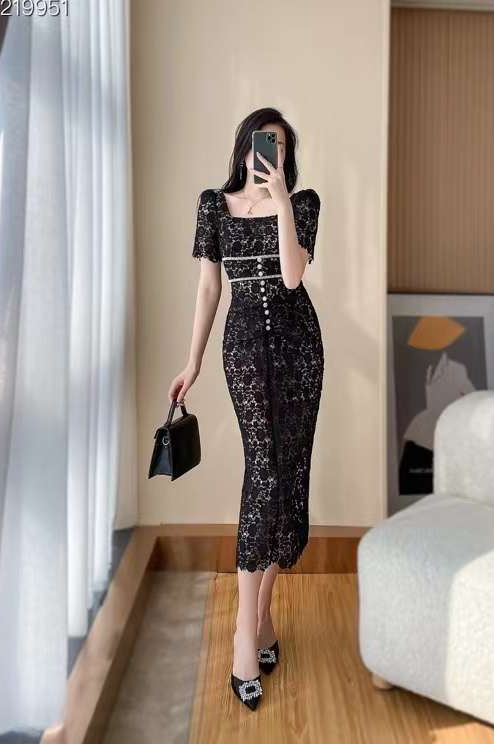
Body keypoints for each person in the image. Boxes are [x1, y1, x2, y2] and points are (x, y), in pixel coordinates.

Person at [168, 107, 324, 710]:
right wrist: (193, 362)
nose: (271, 153)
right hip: (244, 351)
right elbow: (210, 287)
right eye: (264, 143)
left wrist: (280, 200)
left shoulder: (302, 203)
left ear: (287, 155)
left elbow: (292, 277)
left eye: (280, 146)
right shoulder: (213, 205)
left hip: (299, 349)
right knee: (263, 475)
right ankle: (242, 633)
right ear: (244, 147)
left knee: (289, 477)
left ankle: (263, 617)